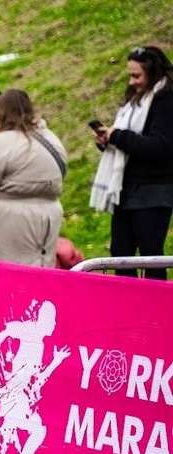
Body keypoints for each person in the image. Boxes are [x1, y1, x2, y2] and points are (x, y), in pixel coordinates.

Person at [91, 45, 173, 280]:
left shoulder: (165, 100)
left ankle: (156, 308)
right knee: (121, 253)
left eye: (137, 75)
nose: (132, 81)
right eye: (130, 75)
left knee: (149, 255)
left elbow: (160, 146)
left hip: (153, 191)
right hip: (126, 189)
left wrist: (118, 136)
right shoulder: (135, 101)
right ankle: (126, 306)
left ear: (153, 72)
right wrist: (108, 140)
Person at [0, 89, 66, 267]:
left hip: (6, 227)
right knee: (37, 284)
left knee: (9, 283)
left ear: (0, 114)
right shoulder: (50, 139)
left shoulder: (0, 143)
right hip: (48, 221)